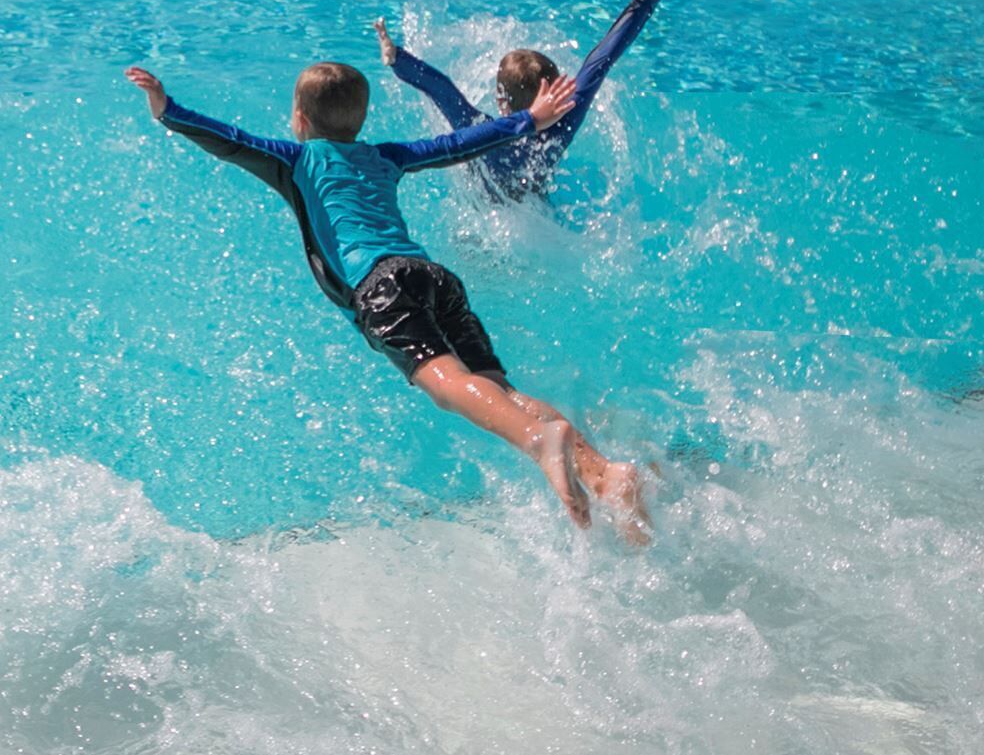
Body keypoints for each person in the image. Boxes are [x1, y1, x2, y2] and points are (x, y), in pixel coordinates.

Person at [123, 58, 650, 541]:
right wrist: (527, 121)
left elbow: (230, 140)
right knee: (498, 391)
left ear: (300, 119)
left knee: (448, 388)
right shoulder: (385, 156)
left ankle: (542, 445)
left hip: (383, 287)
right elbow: (458, 144)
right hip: (433, 276)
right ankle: (604, 474)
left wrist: (167, 109)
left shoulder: (296, 159)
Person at [373, 0, 686, 199]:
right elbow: (600, 61)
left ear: (500, 98)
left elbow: (440, 89)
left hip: (486, 227)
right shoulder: (564, 119)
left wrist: (398, 58)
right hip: (538, 216)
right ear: (555, 92)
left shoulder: (480, 131)